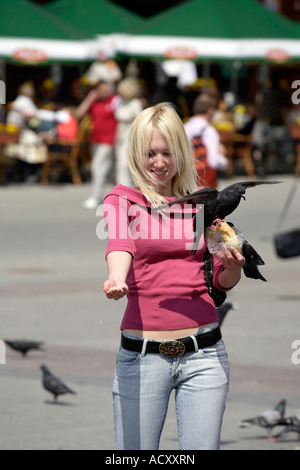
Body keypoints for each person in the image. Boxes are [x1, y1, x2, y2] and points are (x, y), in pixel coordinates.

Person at [102, 102, 245, 450]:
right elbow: (120, 242)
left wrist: (234, 267)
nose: (159, 162)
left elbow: (218, 282)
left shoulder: (198, 203)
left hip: (205, 354)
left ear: (181, 152)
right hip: (142, 357)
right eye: (150, 153)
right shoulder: (122, 200)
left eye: (167, 152)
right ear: (135, 153)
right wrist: (117, 277)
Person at [76, 80, 120, 209]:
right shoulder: (94, 102)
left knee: (97, 166)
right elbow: (79, 114)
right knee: (108, 169)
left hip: (109, 140)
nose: (105, 92)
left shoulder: (114, 101)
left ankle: (95, 197)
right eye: (103, 89)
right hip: (96, 140)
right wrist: (89, 98)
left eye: (107, 89)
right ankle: (125, 191)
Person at [184, 93, 228, 188]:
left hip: (186, 182)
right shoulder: (209, 131)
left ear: (194, 109)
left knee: (188, 204)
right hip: (204, 184)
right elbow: (213, 161)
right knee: (201, 204)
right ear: (210, 111)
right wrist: (223, 158)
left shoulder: (183, 128)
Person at [114, 78, 143, 187]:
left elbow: (139, 121)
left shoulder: (135, 103)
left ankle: (126, 189)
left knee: (125, 164)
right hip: (120, 135)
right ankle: (121, 189)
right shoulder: (122, 102)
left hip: (130, 137)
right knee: (120, 165)